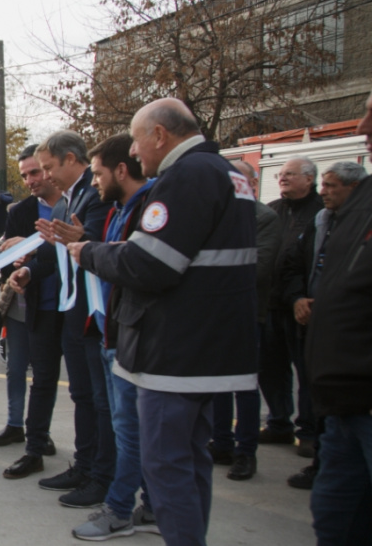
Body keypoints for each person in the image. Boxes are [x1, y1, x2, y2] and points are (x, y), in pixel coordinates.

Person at [70, 97, 258, 545]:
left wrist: (90, 252)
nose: (133, 154)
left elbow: (150, 265)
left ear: (159, 135)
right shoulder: (230, 174)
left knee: (166, 463)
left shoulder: (186, 177)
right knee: (190, 462)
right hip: (209, 345)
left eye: (136, 142)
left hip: (174, 351)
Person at [68, 133, 158, 540]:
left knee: (130, 431)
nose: (94, 182)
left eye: (99, 173)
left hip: (130, 341)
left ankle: (120, 509)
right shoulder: (122, 208)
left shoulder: (150, 210)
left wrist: (88, 251)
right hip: (112, 334)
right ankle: (152, 506)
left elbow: (133, 266)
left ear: (122, 170)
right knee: (131, 428)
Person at [17, 130, 113, 509]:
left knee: (99, 398)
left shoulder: (96, 195)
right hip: (72, 312)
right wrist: (28, 271)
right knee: (82, 394)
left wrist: (83, 237)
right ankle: (86, 464)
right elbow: (51, 255)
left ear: (73, 159)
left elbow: (100, 244)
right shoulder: (63, 205)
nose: (45, 176)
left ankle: (101, 474)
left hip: (94, 313)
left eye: (49, 167)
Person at [304, 88, 372, 546]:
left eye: (370, 116)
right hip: (343, 398)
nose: (363, 128)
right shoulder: (362, 201)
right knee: (334, 519)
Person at [208, 160, 281, 482]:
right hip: (215, 312)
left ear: (250, 182)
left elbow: (259, 266)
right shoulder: (219, 213)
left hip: (247, 312)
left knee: (244, 385)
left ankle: (245, 451)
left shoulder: (264, 218)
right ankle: (221, 442)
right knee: (217, 383)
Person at [0, 144, 61, 477]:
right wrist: (16, 254)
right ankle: (25, 434)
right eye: (24, 175)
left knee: (57, 380)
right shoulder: (19, 211)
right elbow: (7, 253)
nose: (31, 180)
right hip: (31, 303)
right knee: (27, 372)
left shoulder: (74, 205)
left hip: (69, 306)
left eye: (35, 172)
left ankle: (42, 436)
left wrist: (37, 252)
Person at [260, 156, 323, 456]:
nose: (282, 178)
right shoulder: (274, 210)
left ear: (309, 179)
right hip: (271, 302)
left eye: (289, 174)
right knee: (270, 368)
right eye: (280, 174)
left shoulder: (320, 213)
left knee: (306, 369)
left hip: (300, 306)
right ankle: (278, 423)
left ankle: (309, 430)